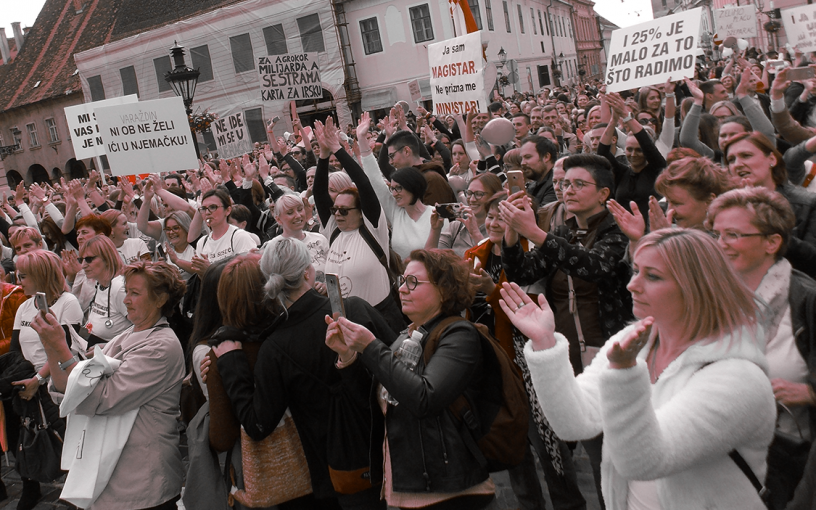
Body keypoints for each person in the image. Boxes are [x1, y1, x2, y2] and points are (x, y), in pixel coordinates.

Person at [506, 228, 775, 509]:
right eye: (635, 271)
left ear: (697, 287)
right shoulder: (634, 341)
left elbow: (644, 460)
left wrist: (623, 374)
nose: (632, 285)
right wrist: (545, 344)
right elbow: (575, 421)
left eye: (653, 276)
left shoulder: (739, 378)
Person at [210, 237, 396, 510]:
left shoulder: (274, 347)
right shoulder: (353, 308)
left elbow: (257, 424)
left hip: (333, 474)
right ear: (309, 271)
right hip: (389, 451)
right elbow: (399, 366)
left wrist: (232, 363)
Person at [325, 249, 495, 509]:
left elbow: (425, 398)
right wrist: (347, 355)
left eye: (413, 282)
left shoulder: (459, 335)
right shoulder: (407, 335)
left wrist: (371, 346)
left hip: (450, 492)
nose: (402, 289)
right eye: (402, 281)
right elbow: (376, 403)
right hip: (409, 487)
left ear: (444, 289)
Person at [464, 193, 587, 510]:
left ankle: (569, 504)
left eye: (502, 216)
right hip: (494, 364)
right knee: (513, 446)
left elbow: (532, 317)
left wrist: (492, 293)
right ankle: (529, 504)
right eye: (491, 216)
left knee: (549, 445)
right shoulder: (475, 255)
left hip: (529, 367)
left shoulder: (530, 258)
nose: (494, 222)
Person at [33, 261, 187, 510]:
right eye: (127, 291)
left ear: (160, 300)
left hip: (141, 483)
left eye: (135, 293)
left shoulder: (161, 346)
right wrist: (50, 344)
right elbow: (67, 390)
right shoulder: (126, 335)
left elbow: (99, 398)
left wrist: (62, 347)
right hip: (111, 476)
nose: (126, 300)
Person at [707, 187, 816, 509]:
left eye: (733, 234)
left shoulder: (807, 300)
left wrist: (810, 392)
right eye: (717, 233)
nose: (721, 243)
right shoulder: (713, 295)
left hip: (787, 462)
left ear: (772, 242)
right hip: (719, 454)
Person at [8, 250, 83, 509]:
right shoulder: (23, 306)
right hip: (27, 383)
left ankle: (75, 490)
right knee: (25, 436)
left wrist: (38, 379)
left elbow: (67, 348)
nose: (20, 282)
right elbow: (16, 350)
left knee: (64, 438)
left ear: (41, 275)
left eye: (25, 276)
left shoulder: (67, 303)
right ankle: (31, 485)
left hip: (56, 385)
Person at [314, 115, 405, 327]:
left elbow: (364, 184)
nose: (337, 214)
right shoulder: (334, 231)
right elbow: (319, 192)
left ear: (361, 211)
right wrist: (323, 155)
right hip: (344, 320)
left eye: (344, 211)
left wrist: (338, 149)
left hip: (380, 318)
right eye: (335, 209)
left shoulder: (373, 229)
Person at [426, 173, 502, 256]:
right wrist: (435, 229)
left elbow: (494, 263)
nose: (472, 199)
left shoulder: (498, 229)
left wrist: (475, 233)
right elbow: (429, 259)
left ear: (494, 196)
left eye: (479, 194)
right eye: (469, 193)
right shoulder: (456, 227)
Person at [191, 189, 257, 276]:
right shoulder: (202, 242)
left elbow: (246, 277)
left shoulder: (240, 237)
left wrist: (210, 270)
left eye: (213, 207)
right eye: (203, 208)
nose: (207, 213)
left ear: (228, 210)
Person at [79, 236, 131, 346]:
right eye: (81, 260)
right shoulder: (101, 284)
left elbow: (145, 328)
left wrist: (109, 347)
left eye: (89, 259)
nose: (83, 265)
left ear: (107, 259)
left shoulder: (119, 288)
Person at [273, 192, 329, 286]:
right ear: (278, 219)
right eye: (290, 212)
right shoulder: (273, 247)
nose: (298, 215)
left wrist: (326, 286)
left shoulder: (320, 239)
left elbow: (335, 271)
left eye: (300, 210)